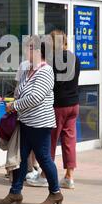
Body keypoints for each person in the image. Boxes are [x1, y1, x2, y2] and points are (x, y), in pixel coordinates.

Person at [0, 36, 63, 204]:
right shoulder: (28, 69)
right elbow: (21, 93)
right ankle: (15, 192)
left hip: (40, 124)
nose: (27, 51)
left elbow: (36, 97)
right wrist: (7, 100)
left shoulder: (46, 71)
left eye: (30, 48)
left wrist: (15, 105)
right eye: (27, 47)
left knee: (44, 158)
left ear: (40, 52)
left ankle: (55, 193)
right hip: (25, 122)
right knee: (21, 158)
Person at [27, 30, 80, 190]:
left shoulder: (52, 60)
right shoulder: (74, 58)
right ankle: (69, 177)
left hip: (58, 106)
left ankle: (44, 175)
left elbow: (52, 83)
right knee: (69, 140)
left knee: (48, 140)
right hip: (74, 104)